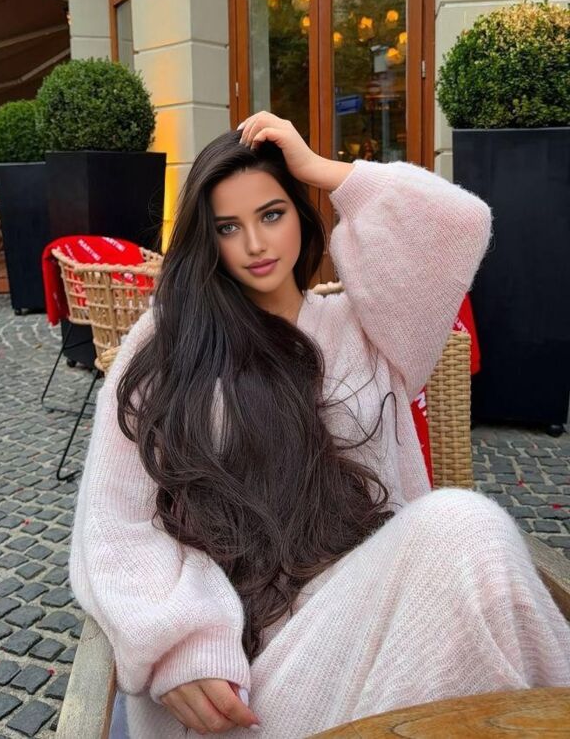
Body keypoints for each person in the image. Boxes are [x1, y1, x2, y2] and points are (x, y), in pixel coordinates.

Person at [69, 112, 570, 738]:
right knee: (462, 526)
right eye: (229, 227)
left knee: (466, 529)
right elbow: (115, 522)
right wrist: (179, 643)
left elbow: (458, 223)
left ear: (303, 219)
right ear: (207, 240)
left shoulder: (371, 332)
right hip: (240, 681)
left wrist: (324, 170)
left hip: (373, 626)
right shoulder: (172, 342)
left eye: (272, 214)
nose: (256, 244)